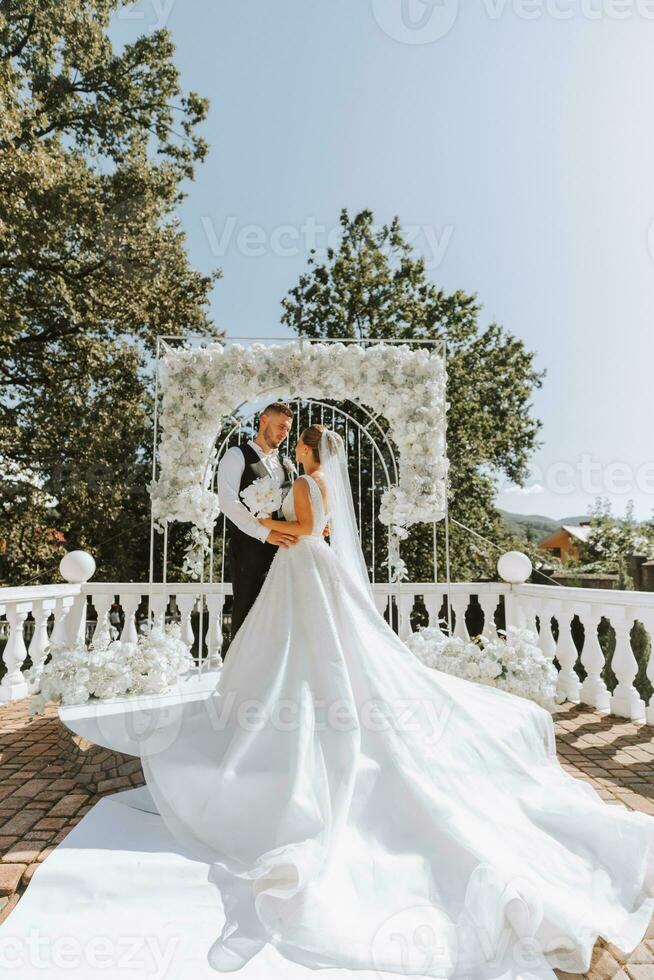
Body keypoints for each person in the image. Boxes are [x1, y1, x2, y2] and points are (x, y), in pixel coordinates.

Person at [140, 423, 654, 979]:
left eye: (301, 442)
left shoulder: (310, 483)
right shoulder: (311, 479)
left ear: (312, 450)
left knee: (310, 647)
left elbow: (311, 528)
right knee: (296, 645)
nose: (295, 446)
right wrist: (273, 515)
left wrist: (267, 521)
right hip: (301, 568)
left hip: (302, 561)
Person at [216, 402, 298, 658]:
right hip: (249, 548)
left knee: (280, 612)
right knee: (248, 609)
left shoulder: (284, 465)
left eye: (288, 429)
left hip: (284, 549)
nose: (285, 433)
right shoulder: (236, 456)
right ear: (264, 420)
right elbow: (227, 502)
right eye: (281, 426)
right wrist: (264, 533)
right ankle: (240, 674)